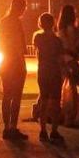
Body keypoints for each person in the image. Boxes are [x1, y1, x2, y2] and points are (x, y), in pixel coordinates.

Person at [0, 0, 28, 141]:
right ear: (20, 8)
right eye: (24, 8)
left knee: (7, 96)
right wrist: (20, 61)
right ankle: (13, 127)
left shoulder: (3, 22)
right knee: (16, 97)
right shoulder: (16, 23)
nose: (24, 11)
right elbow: (21, 47)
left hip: (5, 63)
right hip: (16, 65)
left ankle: (6, 128)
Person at [33, 13, 64, 143]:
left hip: (43, 72)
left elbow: (38, 52)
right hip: (55, 72)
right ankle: (55, 130)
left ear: (41, 23)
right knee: (56, 102)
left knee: (44, 101)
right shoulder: (57, 41)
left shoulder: (38, 38)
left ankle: (43, 130)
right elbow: (60, 58)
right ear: (53, 24)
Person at [58, 5, 79, 127]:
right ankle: (75, 114)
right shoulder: (72, 30)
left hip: (65, 63)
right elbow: (73, 46)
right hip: (72, 63)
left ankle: (68, 117)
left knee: (69, 91)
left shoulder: (60, 30)